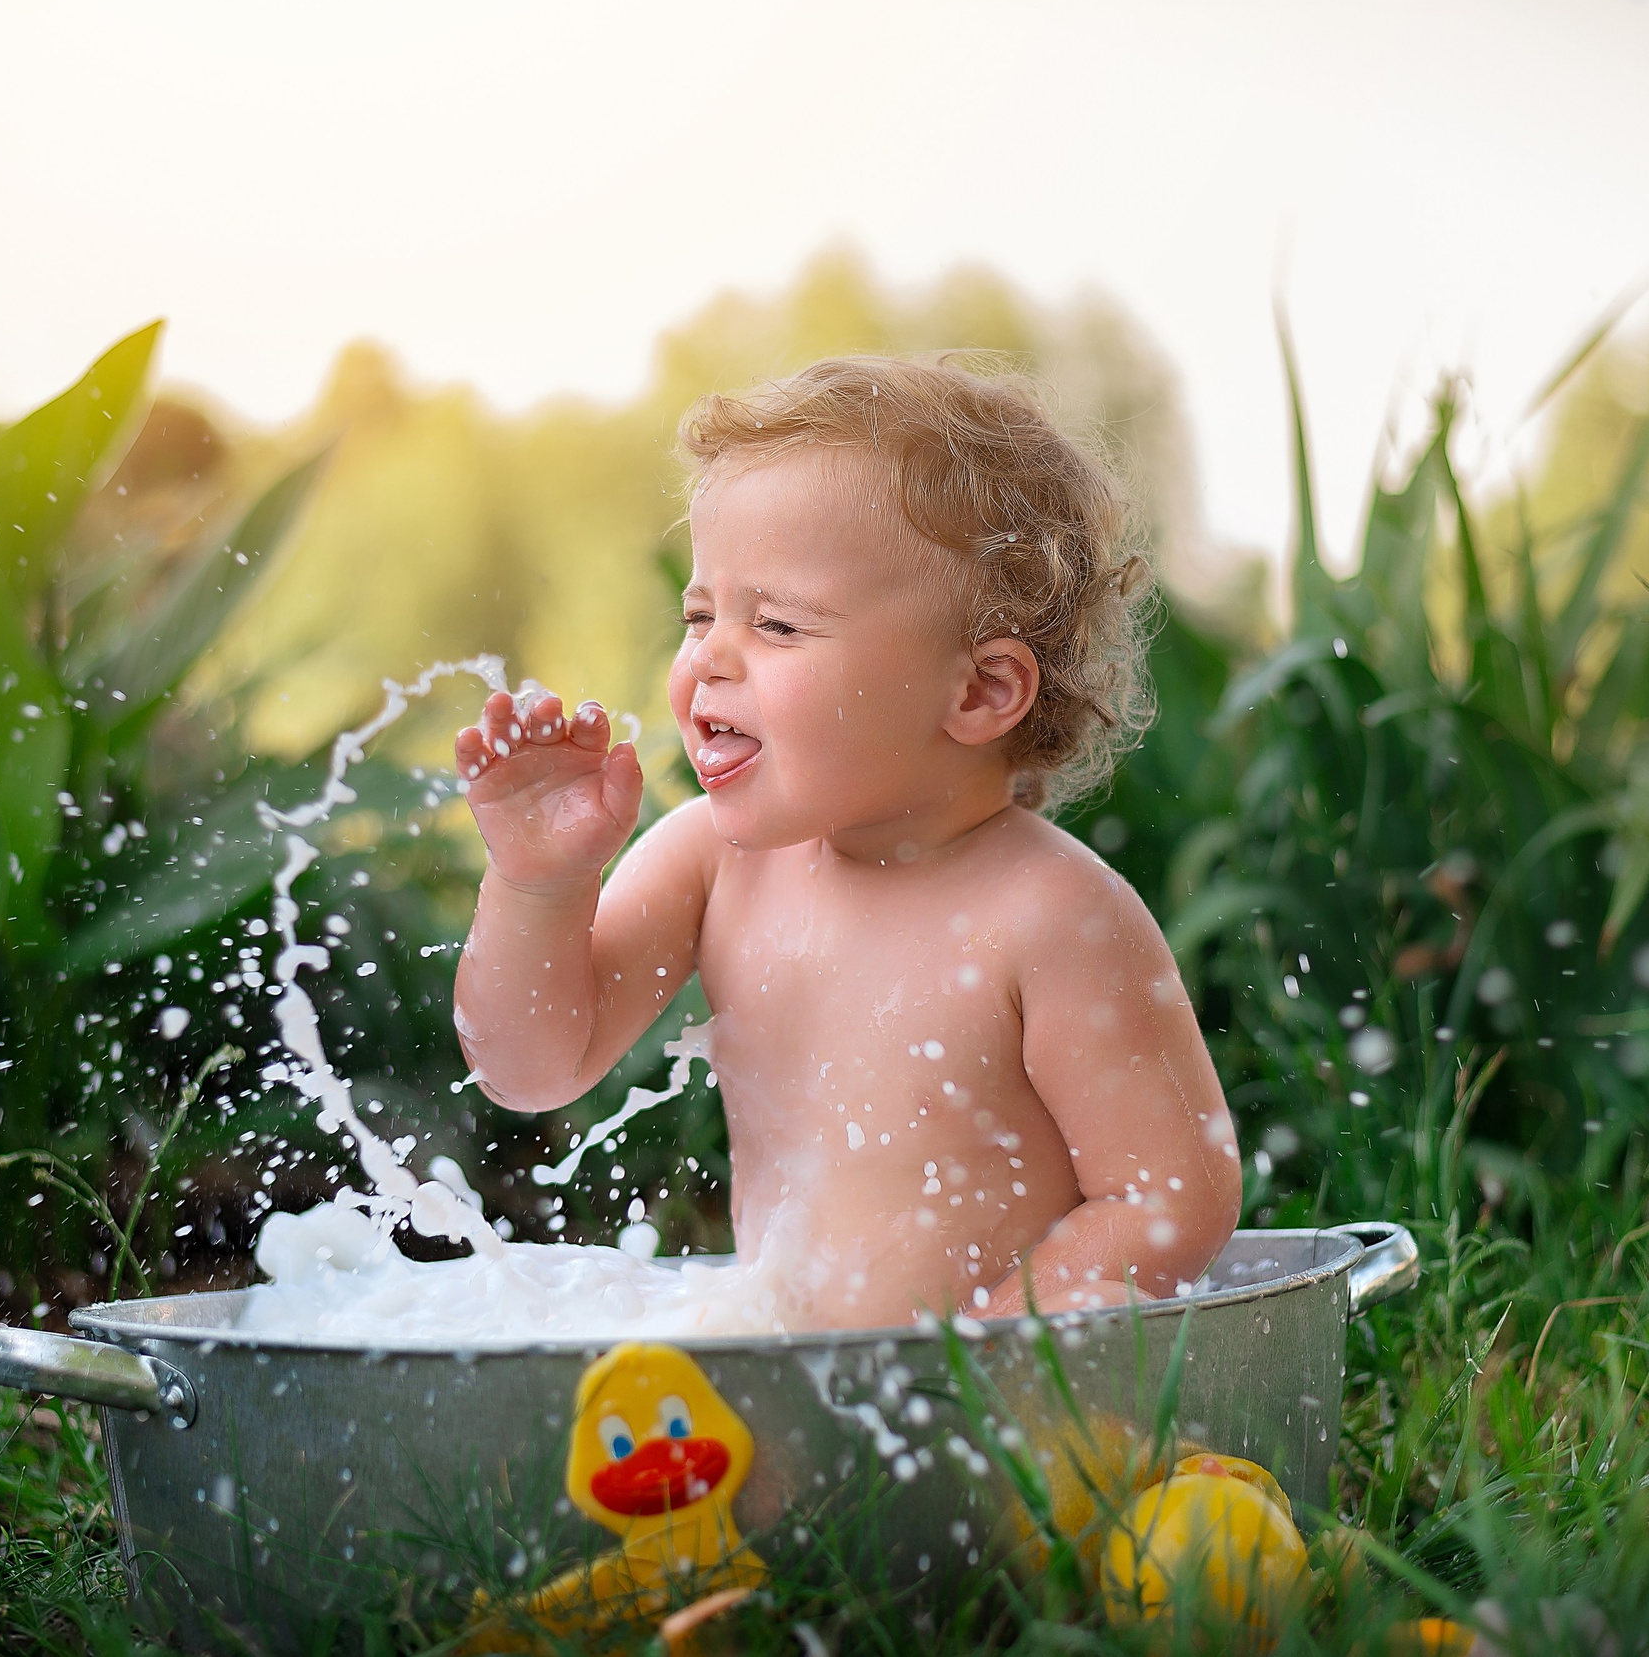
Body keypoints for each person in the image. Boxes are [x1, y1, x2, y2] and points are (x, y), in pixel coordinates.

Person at [451, 355, 1241, 1329]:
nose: (709, 657)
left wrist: (982, 1359)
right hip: (783, 1383)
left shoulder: (1049, 915)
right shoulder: (713, 858)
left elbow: (1167, 1199)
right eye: (700, 614)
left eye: (776, 622)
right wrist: (540, 886)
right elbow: (528, 1067)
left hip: (972, 1416)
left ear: (980, 691)